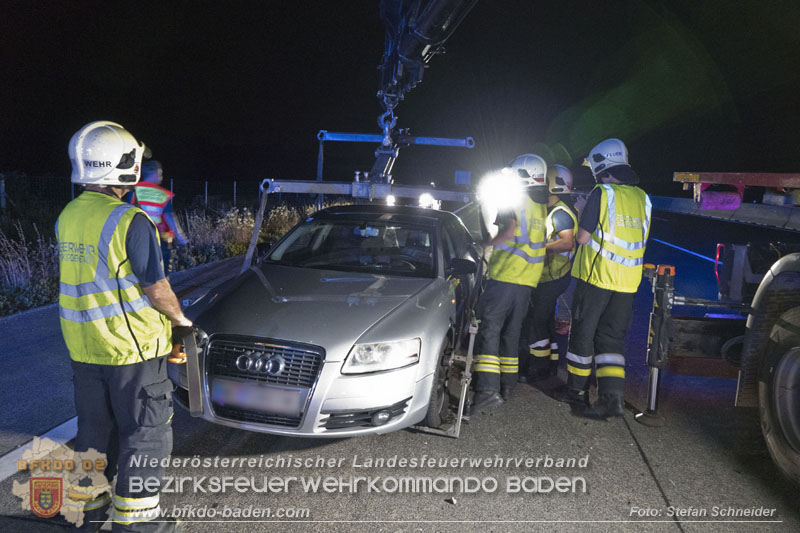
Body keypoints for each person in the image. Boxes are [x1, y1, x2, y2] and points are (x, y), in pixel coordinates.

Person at [58, 121, 191, 532]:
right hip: (131, 351)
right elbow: (156, 287)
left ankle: (86, 509)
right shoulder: (130, 220)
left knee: (94, 433)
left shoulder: (69, 215)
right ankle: (136, 525)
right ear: (123, 166)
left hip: (85, 348)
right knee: (145, 435)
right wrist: (181, 321)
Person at [556, 138, 652, 418]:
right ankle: (612, 399)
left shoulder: (602, 192)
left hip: (596, 278)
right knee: (611, 341)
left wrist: (582, 210)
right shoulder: (642, 198)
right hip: (627, 283)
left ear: (603, 168)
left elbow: (583, 239)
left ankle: (576, 393)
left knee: (583, 337)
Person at [471, 154, 548, 414]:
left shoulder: (512, 199)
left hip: (505, 277)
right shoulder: (540, 206)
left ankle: (487, 390)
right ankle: (507, 385)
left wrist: (486, 244)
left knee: (489, 331)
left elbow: (510, 230)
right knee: (512, 335)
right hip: (527, 282)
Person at [520, 164, 578, 382]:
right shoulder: (555, 209)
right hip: (551, 276)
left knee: (537, 322)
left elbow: (567, 243)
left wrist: (538, 247)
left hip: (552, 277)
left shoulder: (560, 212)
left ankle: (538, 368)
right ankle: (552, 362)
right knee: (544, 322)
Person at [130, 161, 188, 274]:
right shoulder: (162, 194)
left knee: (139, 270)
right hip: (160, 238)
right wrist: (181, 238)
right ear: (154, 174)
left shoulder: (133, 190)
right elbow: (170, 217)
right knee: (161, 272)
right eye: (160, 174)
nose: (161, 177)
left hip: (138, 237)